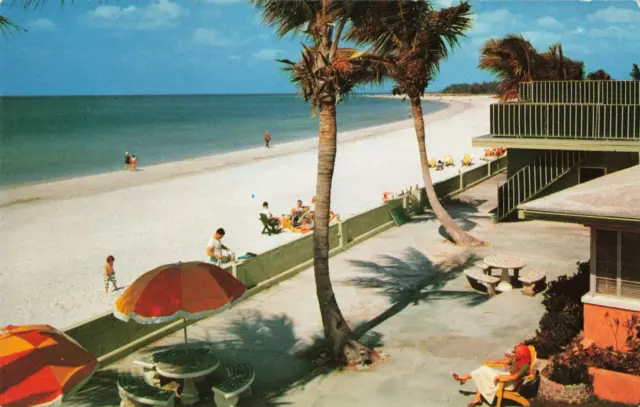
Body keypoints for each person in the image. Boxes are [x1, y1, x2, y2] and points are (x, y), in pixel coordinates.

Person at [452, 343, 532, 407]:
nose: (515, 354)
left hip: (508, 382)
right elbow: (505, 362)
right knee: (483, 369)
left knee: (482, 373)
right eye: (516, 352)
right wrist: (492, 362)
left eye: (518, 352)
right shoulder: (518, 359)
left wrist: (501, 377)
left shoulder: (524, 365)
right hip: (505, 376)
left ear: (522, 353)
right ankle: (476, 396)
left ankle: (465, 379)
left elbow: (514, 377)